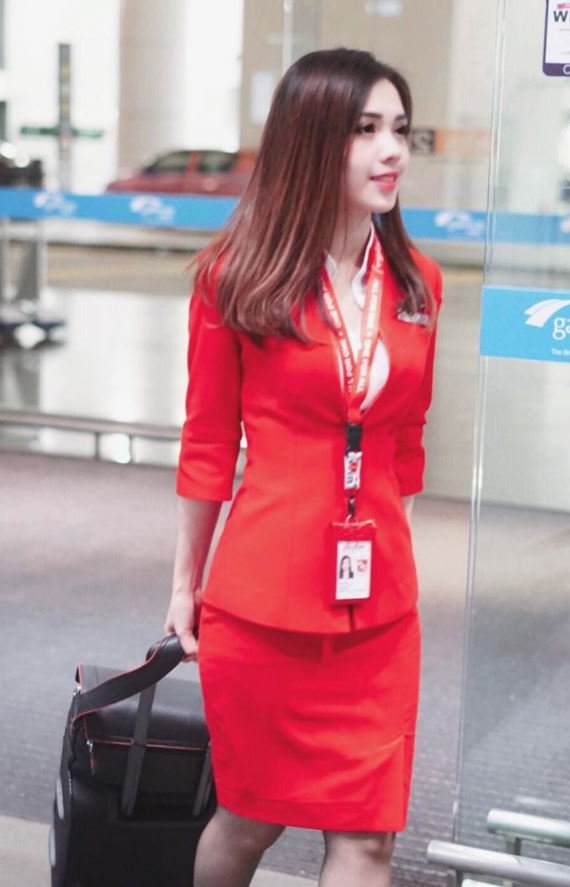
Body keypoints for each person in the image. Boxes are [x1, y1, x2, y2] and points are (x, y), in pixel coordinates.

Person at [164, 47, 442, 887]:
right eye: (365, 130)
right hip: (262, 609)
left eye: (399, 130)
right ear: (312, 140)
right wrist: (184, 585)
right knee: (248, 820)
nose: (391, 151)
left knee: (368, 840)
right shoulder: (235, 278)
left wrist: (388, 555)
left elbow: (406, 443)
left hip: (378, 616)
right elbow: (207, 445)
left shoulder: (418, 282)